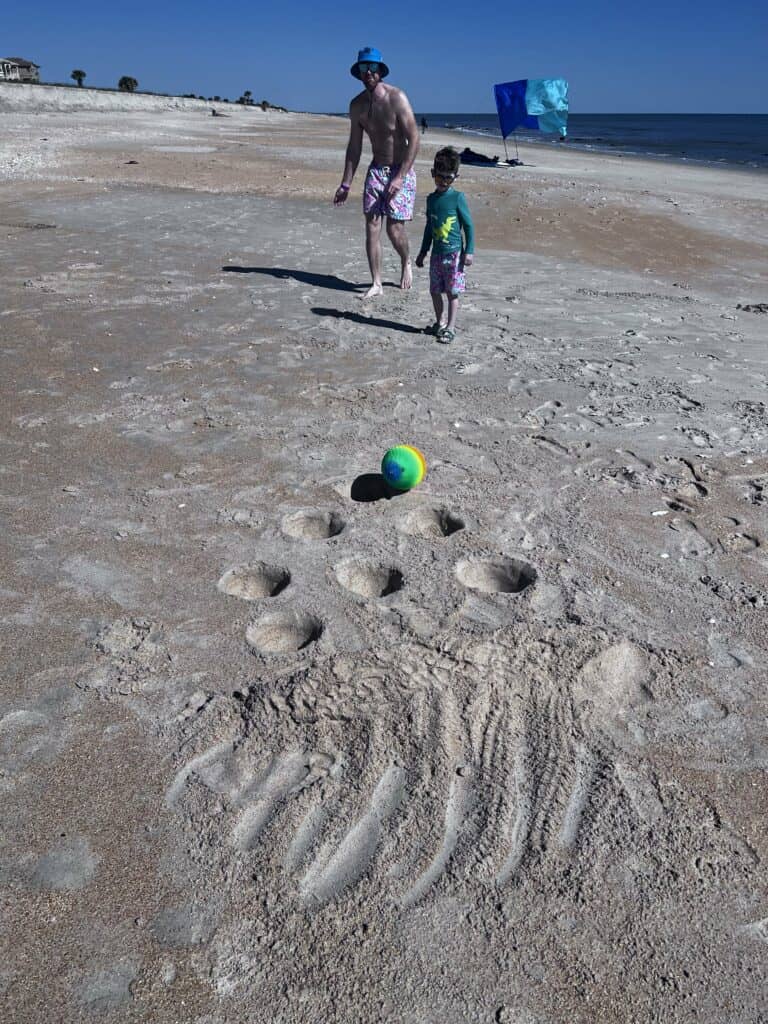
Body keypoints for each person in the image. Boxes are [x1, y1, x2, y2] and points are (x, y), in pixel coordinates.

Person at [333, 47, 420, 299]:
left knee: (394, 230)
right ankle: (377, 283)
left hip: (401, 169)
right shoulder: (357, 105)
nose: (368, 72)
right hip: (376, 171)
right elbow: (355, 146)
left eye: (372, 68)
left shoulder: (397, 98)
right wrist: (346, 183)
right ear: (358, 72)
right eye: (363, 68)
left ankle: (405, 261)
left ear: (380, 71)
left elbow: (414, 138)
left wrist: (401, 176)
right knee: (372, 225)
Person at [415, 147, 474, 344]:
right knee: (434, 290)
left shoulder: (458, 198)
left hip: (455, 255)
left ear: (456, 177)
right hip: (436, 255)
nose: (443, 182)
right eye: (439, 178)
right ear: (433, 174)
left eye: (448, 178)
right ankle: (439, 322)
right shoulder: (431, 200)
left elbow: (468, 225)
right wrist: (423, 251)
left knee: (452, 292)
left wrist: (470, 251)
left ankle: (450, 327)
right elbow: (428, 228)